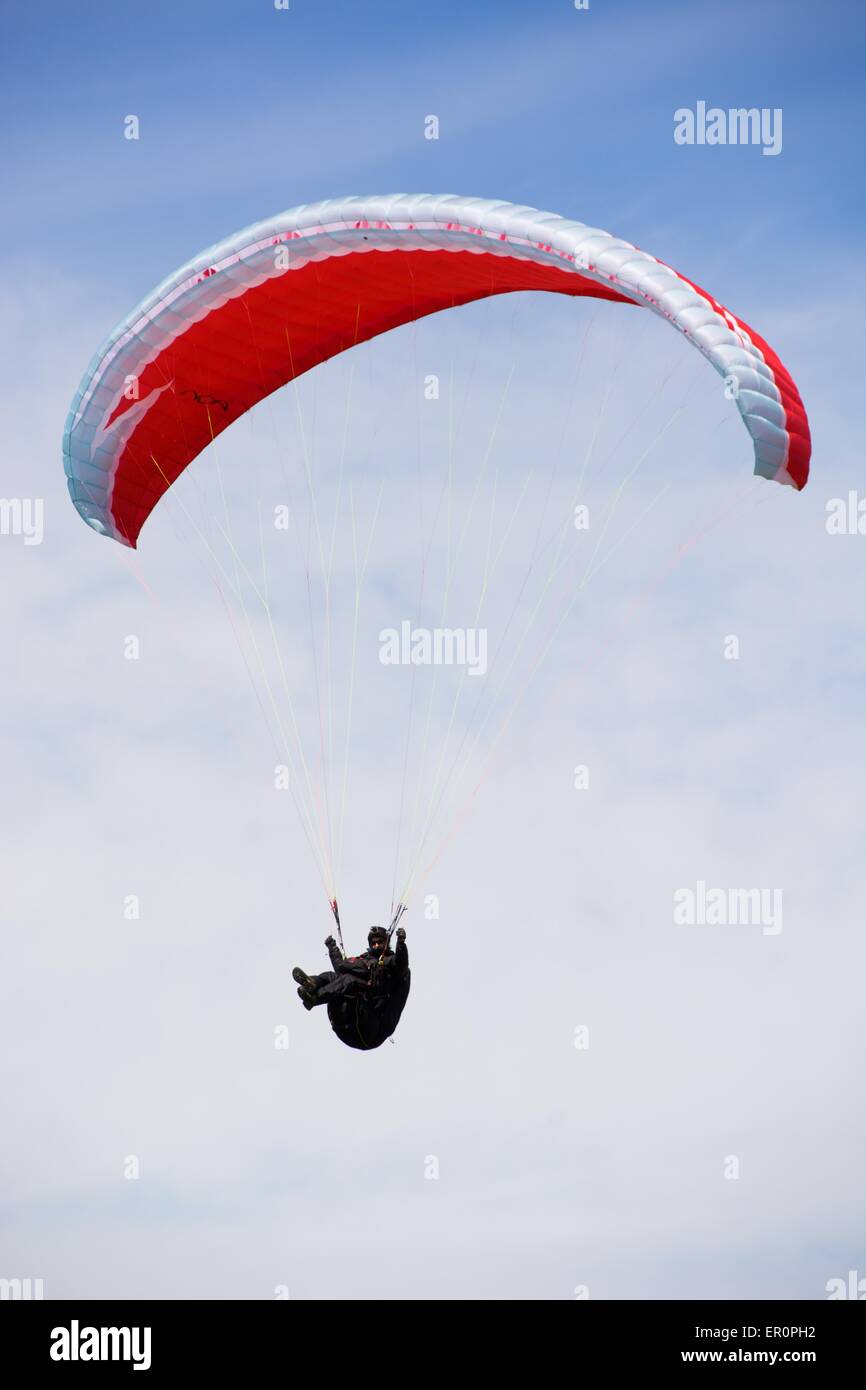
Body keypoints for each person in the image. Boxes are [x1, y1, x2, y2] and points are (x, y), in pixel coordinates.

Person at [292, 925, 410, 1050]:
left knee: (348, 981)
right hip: (346, 1024)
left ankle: (315, 998)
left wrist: (401, 943)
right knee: (331, 976)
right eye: (373, 943)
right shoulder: (364, 960)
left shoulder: (390, 965)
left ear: (386, 943)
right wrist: (332, 946)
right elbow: (341, 968)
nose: (376, 945)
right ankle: (311, 986)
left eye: (379, 942)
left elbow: (401, 966)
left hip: (370, 1032)